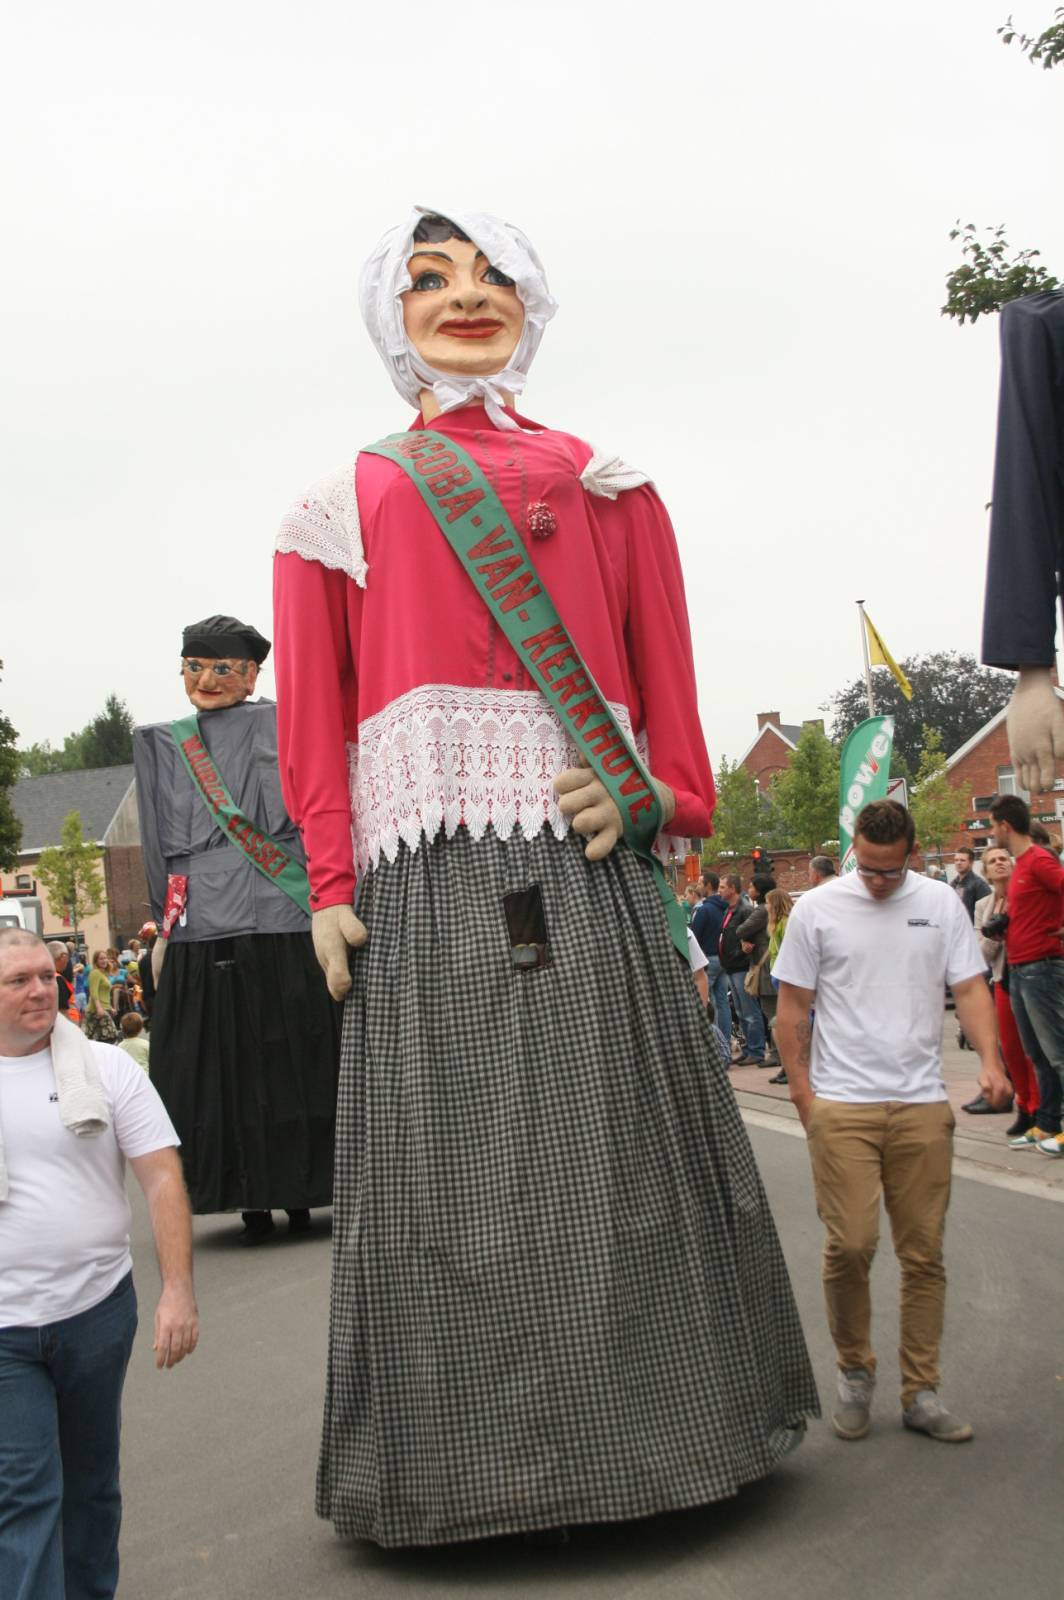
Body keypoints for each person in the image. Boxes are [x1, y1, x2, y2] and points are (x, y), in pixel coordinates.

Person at [273, 205, 817, 1547]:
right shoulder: (337, 502)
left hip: (589, 848)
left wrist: (662, 797)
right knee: (447, 1166)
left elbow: (666, 670)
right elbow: (316, 713)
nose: (467, 295)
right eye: (431, 278)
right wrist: (328, 880)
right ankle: (468, 1474)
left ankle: (664, 1442)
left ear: (533, 301)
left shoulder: (605, 482)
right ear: (391, 313)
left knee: (622, 1150)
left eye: (493, 274)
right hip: (424, 872)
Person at [773, 800, 1010, 1444]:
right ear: (854, 849)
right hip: (842, 1104)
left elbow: (970, 988)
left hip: (920, 1103)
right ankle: (855, 1372)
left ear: (912, 854)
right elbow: (792, 1006)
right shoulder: (818, 909)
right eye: (868, 868)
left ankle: (921, 1391)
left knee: (923, 1253)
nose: (878, 882)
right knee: (850, 1245)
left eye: (890, 871)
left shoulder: (940, 903)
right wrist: (803, 1095)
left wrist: (991, 1062)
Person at [0, 929, 198, 1599]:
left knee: (92, 1487)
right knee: (26, 1494)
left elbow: (162, 1178)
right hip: (5, 1332)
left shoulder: (105, 1068)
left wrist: (177, 1290)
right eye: (18, 981)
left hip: (96, 1314)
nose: (40, 990)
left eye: (45, 975)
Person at [133, 615, 341, 1242]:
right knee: (229, 1074)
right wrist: (167, 924)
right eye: (194, 667)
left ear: (252, 674)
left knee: (292, 1061)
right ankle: (249, 1198)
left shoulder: (289, 722)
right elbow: (159, 849)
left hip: (286, 916)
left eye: (222, 667)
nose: (207, 679)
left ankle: (305, 1190)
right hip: (204, 929)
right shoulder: (164, 743)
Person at [988, 793, 1064, 1155]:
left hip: (1042, 968)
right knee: (1037, 1054)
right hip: (1020, 970)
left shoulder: (1039, 860)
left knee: (1057, 1052)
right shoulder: (1022, 865)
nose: (992, 833)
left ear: (1005, 825)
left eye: (992, 826)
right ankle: (1047, 1123)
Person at [973, 844, 1040, 1135]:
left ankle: (1040, 1109)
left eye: (1004, 859)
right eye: (993, 861)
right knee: (1011, 1050)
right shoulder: (983, 906)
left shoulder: (1024, 897)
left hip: (1032, 978)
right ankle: (1024, 1107)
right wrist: (995, 936)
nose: (1000, 863)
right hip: (1004, 979)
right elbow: (981, 954)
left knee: (1033, 1050)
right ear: (986, 872)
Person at [718, 874, 767, 1063]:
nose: (720, 890)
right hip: (731, 966)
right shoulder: (729, 910)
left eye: (723, 887)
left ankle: (756, 1050)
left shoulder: (744, 910)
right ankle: (748, 1048)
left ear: (732, 889)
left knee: (749, 1011)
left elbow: (750, 936)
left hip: (741, 966)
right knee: (740, 1012)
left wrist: (741, 951)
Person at [737, 874, 779, 1067]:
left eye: (752, 887)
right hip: (769, 963)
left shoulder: (762, 910)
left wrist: (745, 938)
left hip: (764, 965)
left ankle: (777, 1054)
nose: (749, 890)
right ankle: (776, 1053)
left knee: (771, 1012)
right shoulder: (771, 908)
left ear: (760, 890)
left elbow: (741, 929)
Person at [690, 869, 731, 1038]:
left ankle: (715, 1042)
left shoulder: (704, 910)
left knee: (710, 1001)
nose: (698, 886)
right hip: (723, 958)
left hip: (707, 958)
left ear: (708, 885)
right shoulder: (726, 908)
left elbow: (694, 937)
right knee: (723, 1002)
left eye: (700, 882)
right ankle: (725, 1040)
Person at [764, 887, 794, 1086]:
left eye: (768, 903)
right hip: (777, 975)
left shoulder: (785, 923)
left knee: (781, 1022)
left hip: (784, 976)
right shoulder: (776, 924)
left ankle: (789, 1067)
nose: (766, 906)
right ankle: (785, 1066)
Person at [85, 950, 119, 1043]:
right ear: (96, 961)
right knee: (111, 1035)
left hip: (104, 1008)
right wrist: (99, 1008)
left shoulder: (103, 974)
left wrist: (110, 1008)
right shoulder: (95, 973)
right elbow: (94, 992)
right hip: (95, 1010)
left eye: (105, 958)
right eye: (101, 959)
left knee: (101, 1039)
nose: (104, 961)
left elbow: (104, 994)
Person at [951, 846, 992, 922]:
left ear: (971, 863)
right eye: (956, 860)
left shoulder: (980, 885)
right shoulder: (953, 884)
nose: (958, 863)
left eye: (962, 860)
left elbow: (988, 911)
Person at [47, 940, 80, 1025]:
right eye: (68, 957)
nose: (68, 961)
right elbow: (62, 1011)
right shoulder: (58, 980)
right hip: (68, 1024)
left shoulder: (45, 978)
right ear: (63, 956)